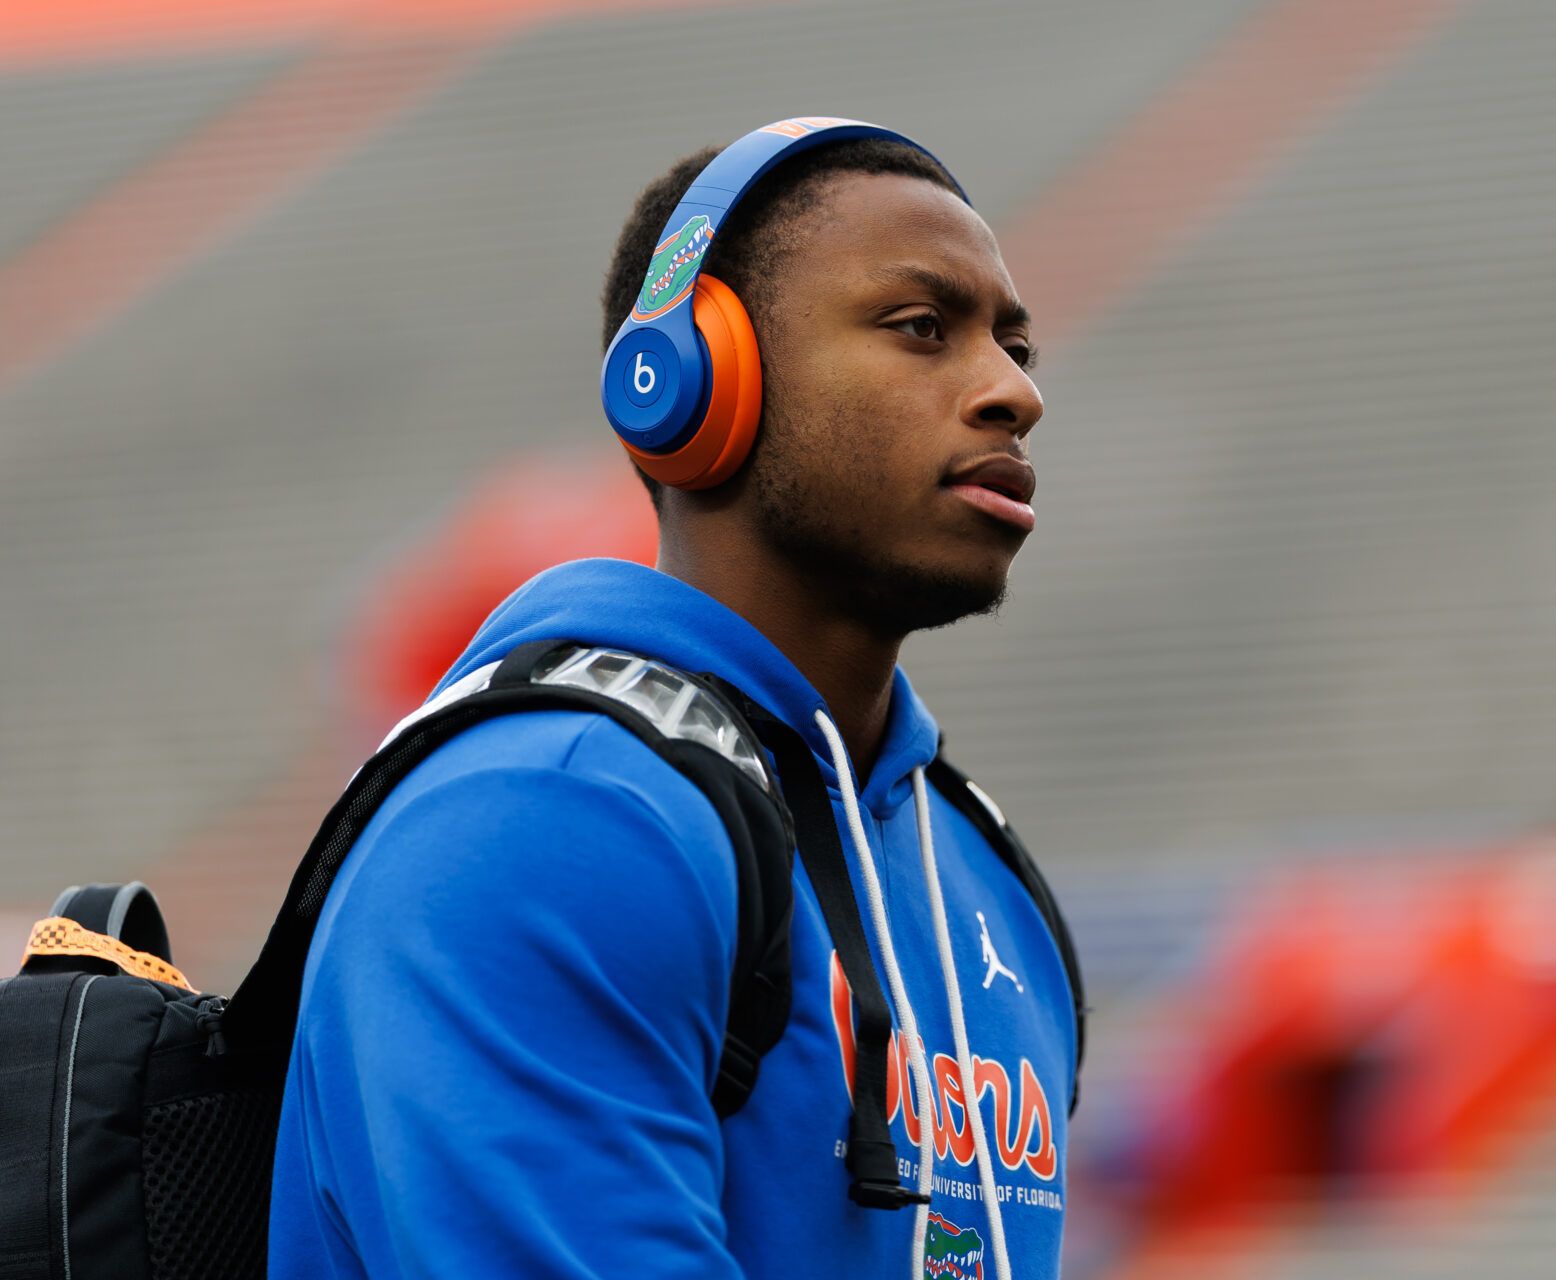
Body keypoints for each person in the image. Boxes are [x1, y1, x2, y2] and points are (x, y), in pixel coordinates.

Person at [268, 119, 1077, 1280]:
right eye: (921, 328)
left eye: (1016, 347)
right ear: (691, 384)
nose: (1011, 393)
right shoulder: (542, 822)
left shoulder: (987, 880)